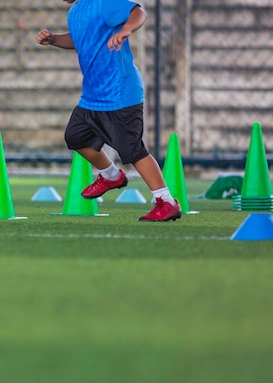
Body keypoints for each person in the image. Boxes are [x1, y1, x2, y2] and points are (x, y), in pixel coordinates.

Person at [36, 0, 181, 221]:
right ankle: (111, 175)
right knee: (75, 137)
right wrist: (54, 39)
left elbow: (138, 12)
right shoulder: (75, 11)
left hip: (121, 93)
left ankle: (166, 201)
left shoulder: (103, 3)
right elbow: (79, 39)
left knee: (132, 150)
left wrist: (126, 29)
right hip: (93, 96)